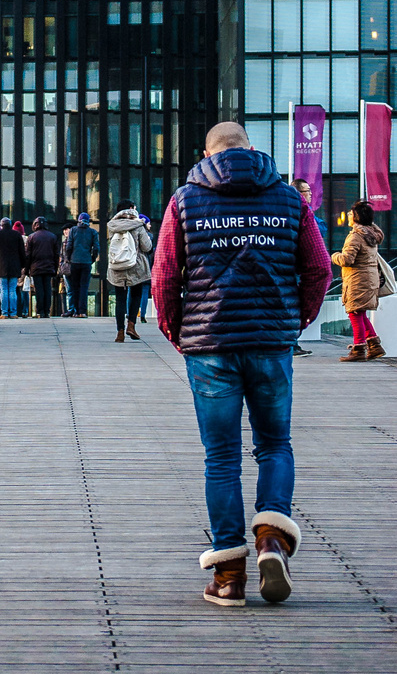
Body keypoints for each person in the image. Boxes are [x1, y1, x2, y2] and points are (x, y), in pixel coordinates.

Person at [152, 122, 331, 608]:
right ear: (251, 149)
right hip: (271, 342)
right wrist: (295, 320)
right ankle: (272, 537)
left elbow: (166, 275)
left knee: (221, 456)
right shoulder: (289, 199)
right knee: (275, 444)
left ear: (206, 152)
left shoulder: (187, 199)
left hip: (209, 344)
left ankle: (229, 577)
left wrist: (177, 331)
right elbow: (319, 268)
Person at [331, 201, 386, 362]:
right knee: (360, 312)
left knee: (354, 312)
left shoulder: (355, 236)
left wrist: (334, 256)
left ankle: (359, 349)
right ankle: (375, 346)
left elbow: (347, 259)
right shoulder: (371, 234)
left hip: (357, 280)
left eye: (350, 213)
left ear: (356, 217)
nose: (348, 215)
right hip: (368, 279)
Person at [289, 178, 327, 357]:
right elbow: (321, 268)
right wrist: (306, 315)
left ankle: (292, 341)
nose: (310, 194)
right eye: (306, 191)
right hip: (296, 268)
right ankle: (292, 342)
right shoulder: (301, 212)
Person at [106, 200, 153, 342]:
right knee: (136, 295)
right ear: (132, 209)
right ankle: (131, 325)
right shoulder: (138, 224)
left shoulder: (112, 225)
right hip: (135, 265)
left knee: (120, 299)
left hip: (117, 265)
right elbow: (147, 246)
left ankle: (120, 332)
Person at [0, 217, 26, 319]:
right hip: (14, 266)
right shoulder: (17, 235)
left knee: (3, 290)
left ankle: (4, 313)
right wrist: (22, 264)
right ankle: (13, 313)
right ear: (10, 225)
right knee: (12, 290)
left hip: (2, 266)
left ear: (1, 225)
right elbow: (22, 252)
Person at [66, 212, 100, 317]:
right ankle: (83, 311)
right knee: (84, 287)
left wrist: (69, 258)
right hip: (86, 262)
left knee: (75, 286)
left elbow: (68, 246)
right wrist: (92, 259)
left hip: (74, 262)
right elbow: (96, 248)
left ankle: (76, 311)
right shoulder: (93, 232)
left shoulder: (73, 230)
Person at [26, 217, 60, 318]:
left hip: (36, 267)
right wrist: (55, 268)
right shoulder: (52, 237)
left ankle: (40, 311)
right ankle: (47, 311)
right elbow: (56, 254)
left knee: (39, 290)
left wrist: (27, 269)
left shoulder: (31, 237)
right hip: (49, 267)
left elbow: (28, 255)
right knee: (48, 289)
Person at [58, 226, 73, 317]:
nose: (65, 231)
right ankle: (71, 309)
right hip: (66, 268)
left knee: (72, 289)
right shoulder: (64, 242)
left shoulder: (72, 241)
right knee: (69, 290)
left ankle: (73, 309)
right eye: (64, 230)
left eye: (67, 229)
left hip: (71, 266)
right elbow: (61, 255)